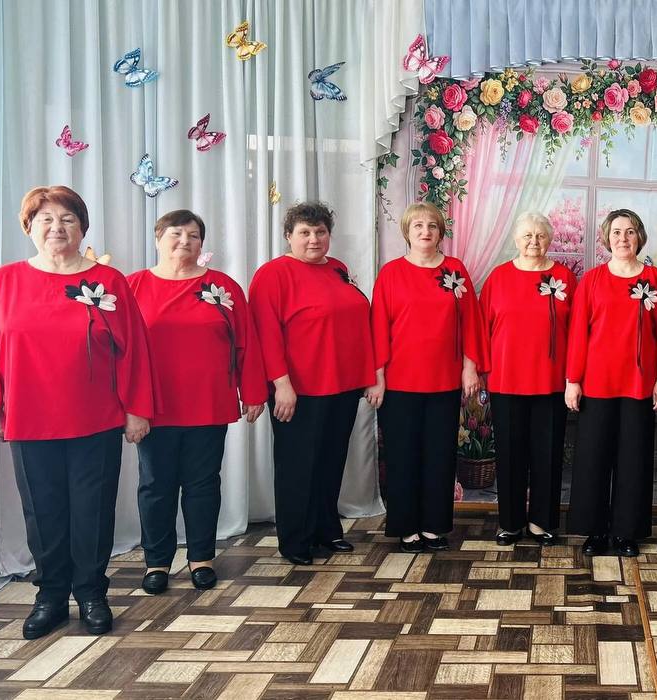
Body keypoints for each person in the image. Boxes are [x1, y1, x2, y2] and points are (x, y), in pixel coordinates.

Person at [0, 186, 153, 638]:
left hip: (96, 418)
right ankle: (50, 596)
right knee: (43, 511)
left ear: (82, 228)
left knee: (93, 510)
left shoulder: (109, 282)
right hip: (29, 418)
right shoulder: (4, 281)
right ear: (29, 227)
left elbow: (133, 349)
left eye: (68, 219)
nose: (57, 228)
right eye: (46, 219)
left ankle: (91, 593)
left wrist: (137, 409)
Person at [128, 210, 267, 595]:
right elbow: (122, 352)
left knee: (203, 483)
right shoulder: (133, 286)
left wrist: (253, 390)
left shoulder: (222, 286)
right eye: (176, 234)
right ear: (158, 239)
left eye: (193, 235)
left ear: (202, 243)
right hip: (155, 407)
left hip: (208, 402)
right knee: (155, 485)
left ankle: (201, 558)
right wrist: (128, 405)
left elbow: (246, 341)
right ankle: (157, 561)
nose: (185, 241)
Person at [249, 202, 381, 566]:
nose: (313, 239)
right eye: (305, 232)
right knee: (297, 466)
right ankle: (296, 539)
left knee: (330, 460)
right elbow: (266, 334)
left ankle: (327, 529)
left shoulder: (337, 268)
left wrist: (367, 375)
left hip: (342, 384)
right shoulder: (272, 275)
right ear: (288, 236)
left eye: (320, 232)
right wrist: (281, 384)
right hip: (299, 389)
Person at [371, 202, 486, 552]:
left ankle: (435, 527)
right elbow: (378, 327)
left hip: (444, 380)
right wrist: (377, 376)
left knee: (439, 455)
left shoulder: (455, 270)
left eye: (432, 226)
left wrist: (470, 367)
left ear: (440, 233)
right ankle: (406, 528)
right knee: (402, 455)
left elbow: (471, 320)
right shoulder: (391, 273)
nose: (425, 231)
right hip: (399, 382)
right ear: (407, 232)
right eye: (418, 226)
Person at [566, 209, 657, 558]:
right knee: (593, 458)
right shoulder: (592, 280)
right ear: (606, 237)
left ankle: (627, 532)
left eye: (629, 232)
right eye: (616, 232)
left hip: (640, 384)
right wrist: (573, 380)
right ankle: (595, 530)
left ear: (639, 237)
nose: (623, 238)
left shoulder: (656, 279)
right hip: (597, 383)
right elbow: (578, 333)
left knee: (634, 459)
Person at [480, 212, 576, 547]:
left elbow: (577, 331)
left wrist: (574, 376)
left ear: (550, 239)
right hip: (506, 381)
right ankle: (510, 523)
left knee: (547, 454)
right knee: (510, 455)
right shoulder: (498, 277)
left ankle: (542, 522)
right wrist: (480, 370)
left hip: (551, 382)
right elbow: (481, 327)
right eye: (527, 236)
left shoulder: (564, 277)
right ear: (516, 239)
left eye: (540, 235)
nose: (534, 242)